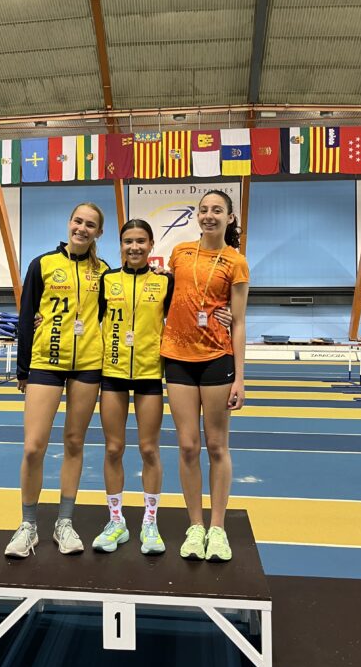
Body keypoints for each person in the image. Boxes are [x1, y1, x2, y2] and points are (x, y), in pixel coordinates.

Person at [5, 203, 108, 558]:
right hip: (45, 363)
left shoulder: (104, 272)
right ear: (69, 223)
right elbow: (26, 316)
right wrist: (22, 369)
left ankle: (64, 522)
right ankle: (28, 525)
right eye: (78, 221)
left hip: (88, 365)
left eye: (90, 224)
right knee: (33, 446)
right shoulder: (42, 264)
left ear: (98, 232)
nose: (82, 228)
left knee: (74, 443)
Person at [160, 189, 249, 562]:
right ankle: (195, 526)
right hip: (177, 358)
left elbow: (239, 322)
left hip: (216, 358)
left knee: (216, 446)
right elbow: (167, 297)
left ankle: (218, 528)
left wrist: (240, 378)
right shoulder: (179, 252)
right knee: (187, 446)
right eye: (204, 209)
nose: (209, 215)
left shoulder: (236, 262)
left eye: (217, 210)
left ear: (230, 217)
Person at [93, 219, 173, 556]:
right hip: (112, 373)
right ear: (121, 245)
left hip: (149, 373)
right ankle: (116, 521)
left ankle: (150, 523)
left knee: (149, 450)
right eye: (128, 241)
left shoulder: (166, 281)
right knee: (113, 449)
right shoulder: (107, 279)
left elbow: (183, 316)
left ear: (151, 245)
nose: (134, 247)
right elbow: (87, 316)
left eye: (141, 241)